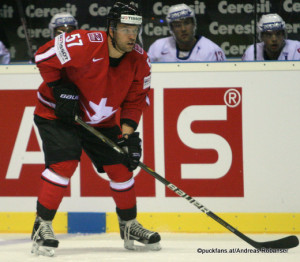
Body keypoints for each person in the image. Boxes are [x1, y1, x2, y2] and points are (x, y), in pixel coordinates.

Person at [31, 2, 160, 257]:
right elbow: (43, 57)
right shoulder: (84, 43)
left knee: (121, 165)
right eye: (125, 28)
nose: (131, 35)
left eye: (135, 29)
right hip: (57, 115)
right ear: (111, 28)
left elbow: (134, 101)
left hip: (100, 121)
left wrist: (127, 135)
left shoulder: (140, 60)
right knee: (64, 164)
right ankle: (41, 226)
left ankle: (129, 225)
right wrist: (59, 88)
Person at [147, 3, 226, 62]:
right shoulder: (158, 47)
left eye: (187, 23)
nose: (183, 29)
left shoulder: (212, 51)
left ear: (194, 24)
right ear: (171, 29)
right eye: (178, 25)